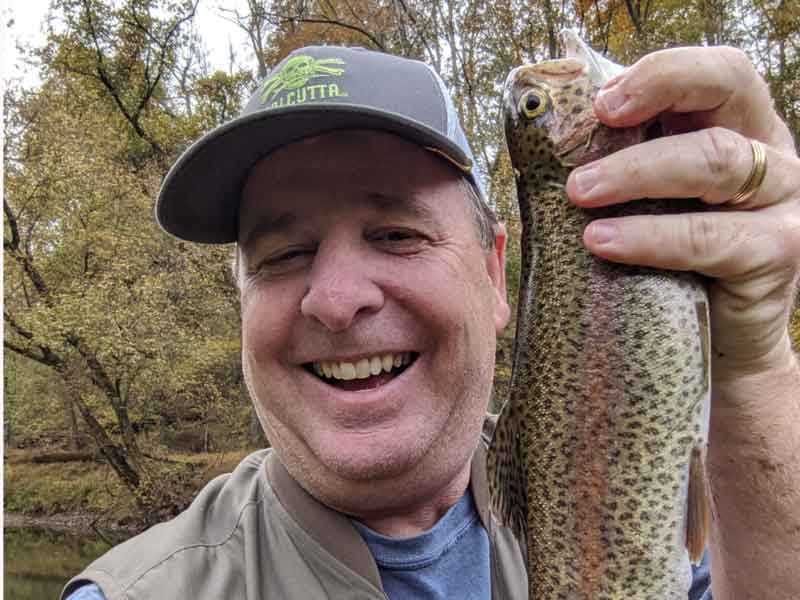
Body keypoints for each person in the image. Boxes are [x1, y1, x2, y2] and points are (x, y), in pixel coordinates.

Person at [62, 43, 799, 600]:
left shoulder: (649, 502)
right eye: (284, 254)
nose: (336, 299)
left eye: (397, 234)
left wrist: (755, 367)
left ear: (494, 274)